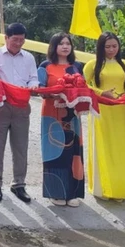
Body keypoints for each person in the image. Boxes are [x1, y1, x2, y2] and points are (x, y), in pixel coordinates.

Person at [83, 32, 125, 201]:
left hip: (120, 110)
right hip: (102, 110)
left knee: (122, 147)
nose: (112, 49)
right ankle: (103, 188)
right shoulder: (92, 65)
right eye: (107, 47)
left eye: (115, 46)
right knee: (103, 146)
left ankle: (120, 188)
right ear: (101, 48)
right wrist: (101, 93)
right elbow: (83, 84)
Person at [0, 22, 38, 203]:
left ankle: (19, 184)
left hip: (22, 106)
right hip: (0, 105)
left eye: (22, 40)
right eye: (15, 39)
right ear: (6, 38)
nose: (18, 43)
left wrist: (33, 85)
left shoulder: (29, 58)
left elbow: (33, 77)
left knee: (20, 146)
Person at [38, 32, 85, 207]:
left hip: (72, 115)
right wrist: (56, 94)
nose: (65, 46)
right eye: (61, 43)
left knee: (73, 152)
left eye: (68, 43)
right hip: (52, 115)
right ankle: (55, 191)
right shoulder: (45, 66)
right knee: (54, 153)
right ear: (54, 47)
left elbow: (84, 89)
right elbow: (40, 89)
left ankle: (73, 193)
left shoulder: (77, 67)